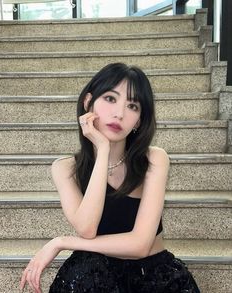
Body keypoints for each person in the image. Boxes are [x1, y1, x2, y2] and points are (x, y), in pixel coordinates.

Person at [20, 63, 200, 293]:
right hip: (97, 274)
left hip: (153, 275)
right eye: (110, 99)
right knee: (87, 274)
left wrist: (61, 241)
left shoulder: (154, 159)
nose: (119, 113)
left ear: (138, 120)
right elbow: (87, 229)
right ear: (88, 102)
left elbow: (140, 245)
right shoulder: (65, 168)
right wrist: (103, 150)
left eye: (132, 105)